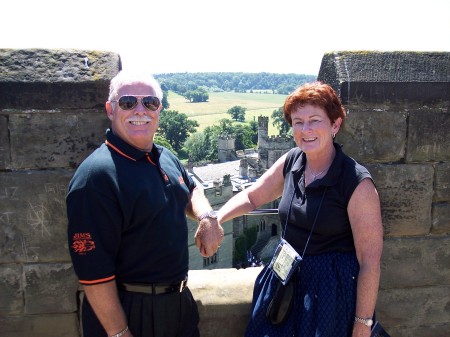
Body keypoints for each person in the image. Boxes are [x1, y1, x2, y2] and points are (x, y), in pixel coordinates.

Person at [217, 82, 383, 337]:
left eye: (315, 120)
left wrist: (363, 323)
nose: (306, 130)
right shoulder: (293, 160)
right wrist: (215, 218)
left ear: (335, 125)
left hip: (330, 293)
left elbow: (369, 262)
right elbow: (252, 196)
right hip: (285, 279)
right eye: (297, 122)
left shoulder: (356, 182)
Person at [67, 70, 224, 337]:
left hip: (177, 304)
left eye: (150, 103)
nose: (141, 110)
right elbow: (94, 275)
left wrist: (207, 217)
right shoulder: (96, 177)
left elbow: (190, 188)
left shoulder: (164, 157)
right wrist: (119, 333)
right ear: (110, 109)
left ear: (159, 109)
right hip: (129, 310)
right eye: (128, 102)